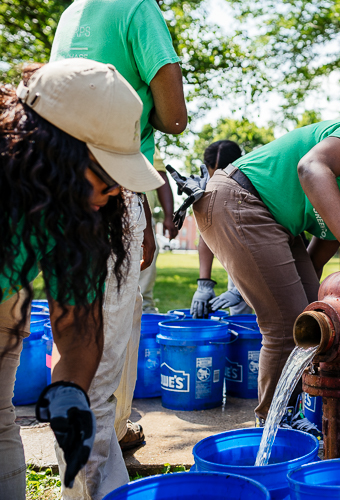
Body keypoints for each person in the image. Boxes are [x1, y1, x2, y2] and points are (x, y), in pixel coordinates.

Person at [189, 113, 340, 434]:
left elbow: (315, 263)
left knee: (312, 317)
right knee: (287, 323)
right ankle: (273, 422)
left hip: (274, 222)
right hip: (240, 199)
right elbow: (311, 168)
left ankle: (287, 410)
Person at [0, 59, 164, 500]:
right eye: (106, 179)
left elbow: (78, 334)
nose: (113, 196)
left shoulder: (80, 215)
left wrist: (70, 399)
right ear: (52, 152)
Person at [50, 0, 187, 496]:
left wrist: (144, 213)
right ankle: (92, 479)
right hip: (106, 181)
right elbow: (173, 117)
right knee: (101, 357)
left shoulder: (72, 12)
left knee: (95, 337)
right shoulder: (137, 8)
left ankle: (106, 440)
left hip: (69, 180)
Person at [185, 140, 254, 318]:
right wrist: (204, 284)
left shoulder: (250, 184)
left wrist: (245, 288)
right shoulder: (207, 186)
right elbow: (207, 231)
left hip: (263, 246)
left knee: (273, 311)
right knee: (240, 314)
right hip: (235, 253)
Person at [139, 146, 178, 314]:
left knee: (143, 279)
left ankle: (145, 309)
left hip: (141, 216)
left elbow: (160, 176)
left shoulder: (146, 139)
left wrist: (169, 215)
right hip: (105, 213)